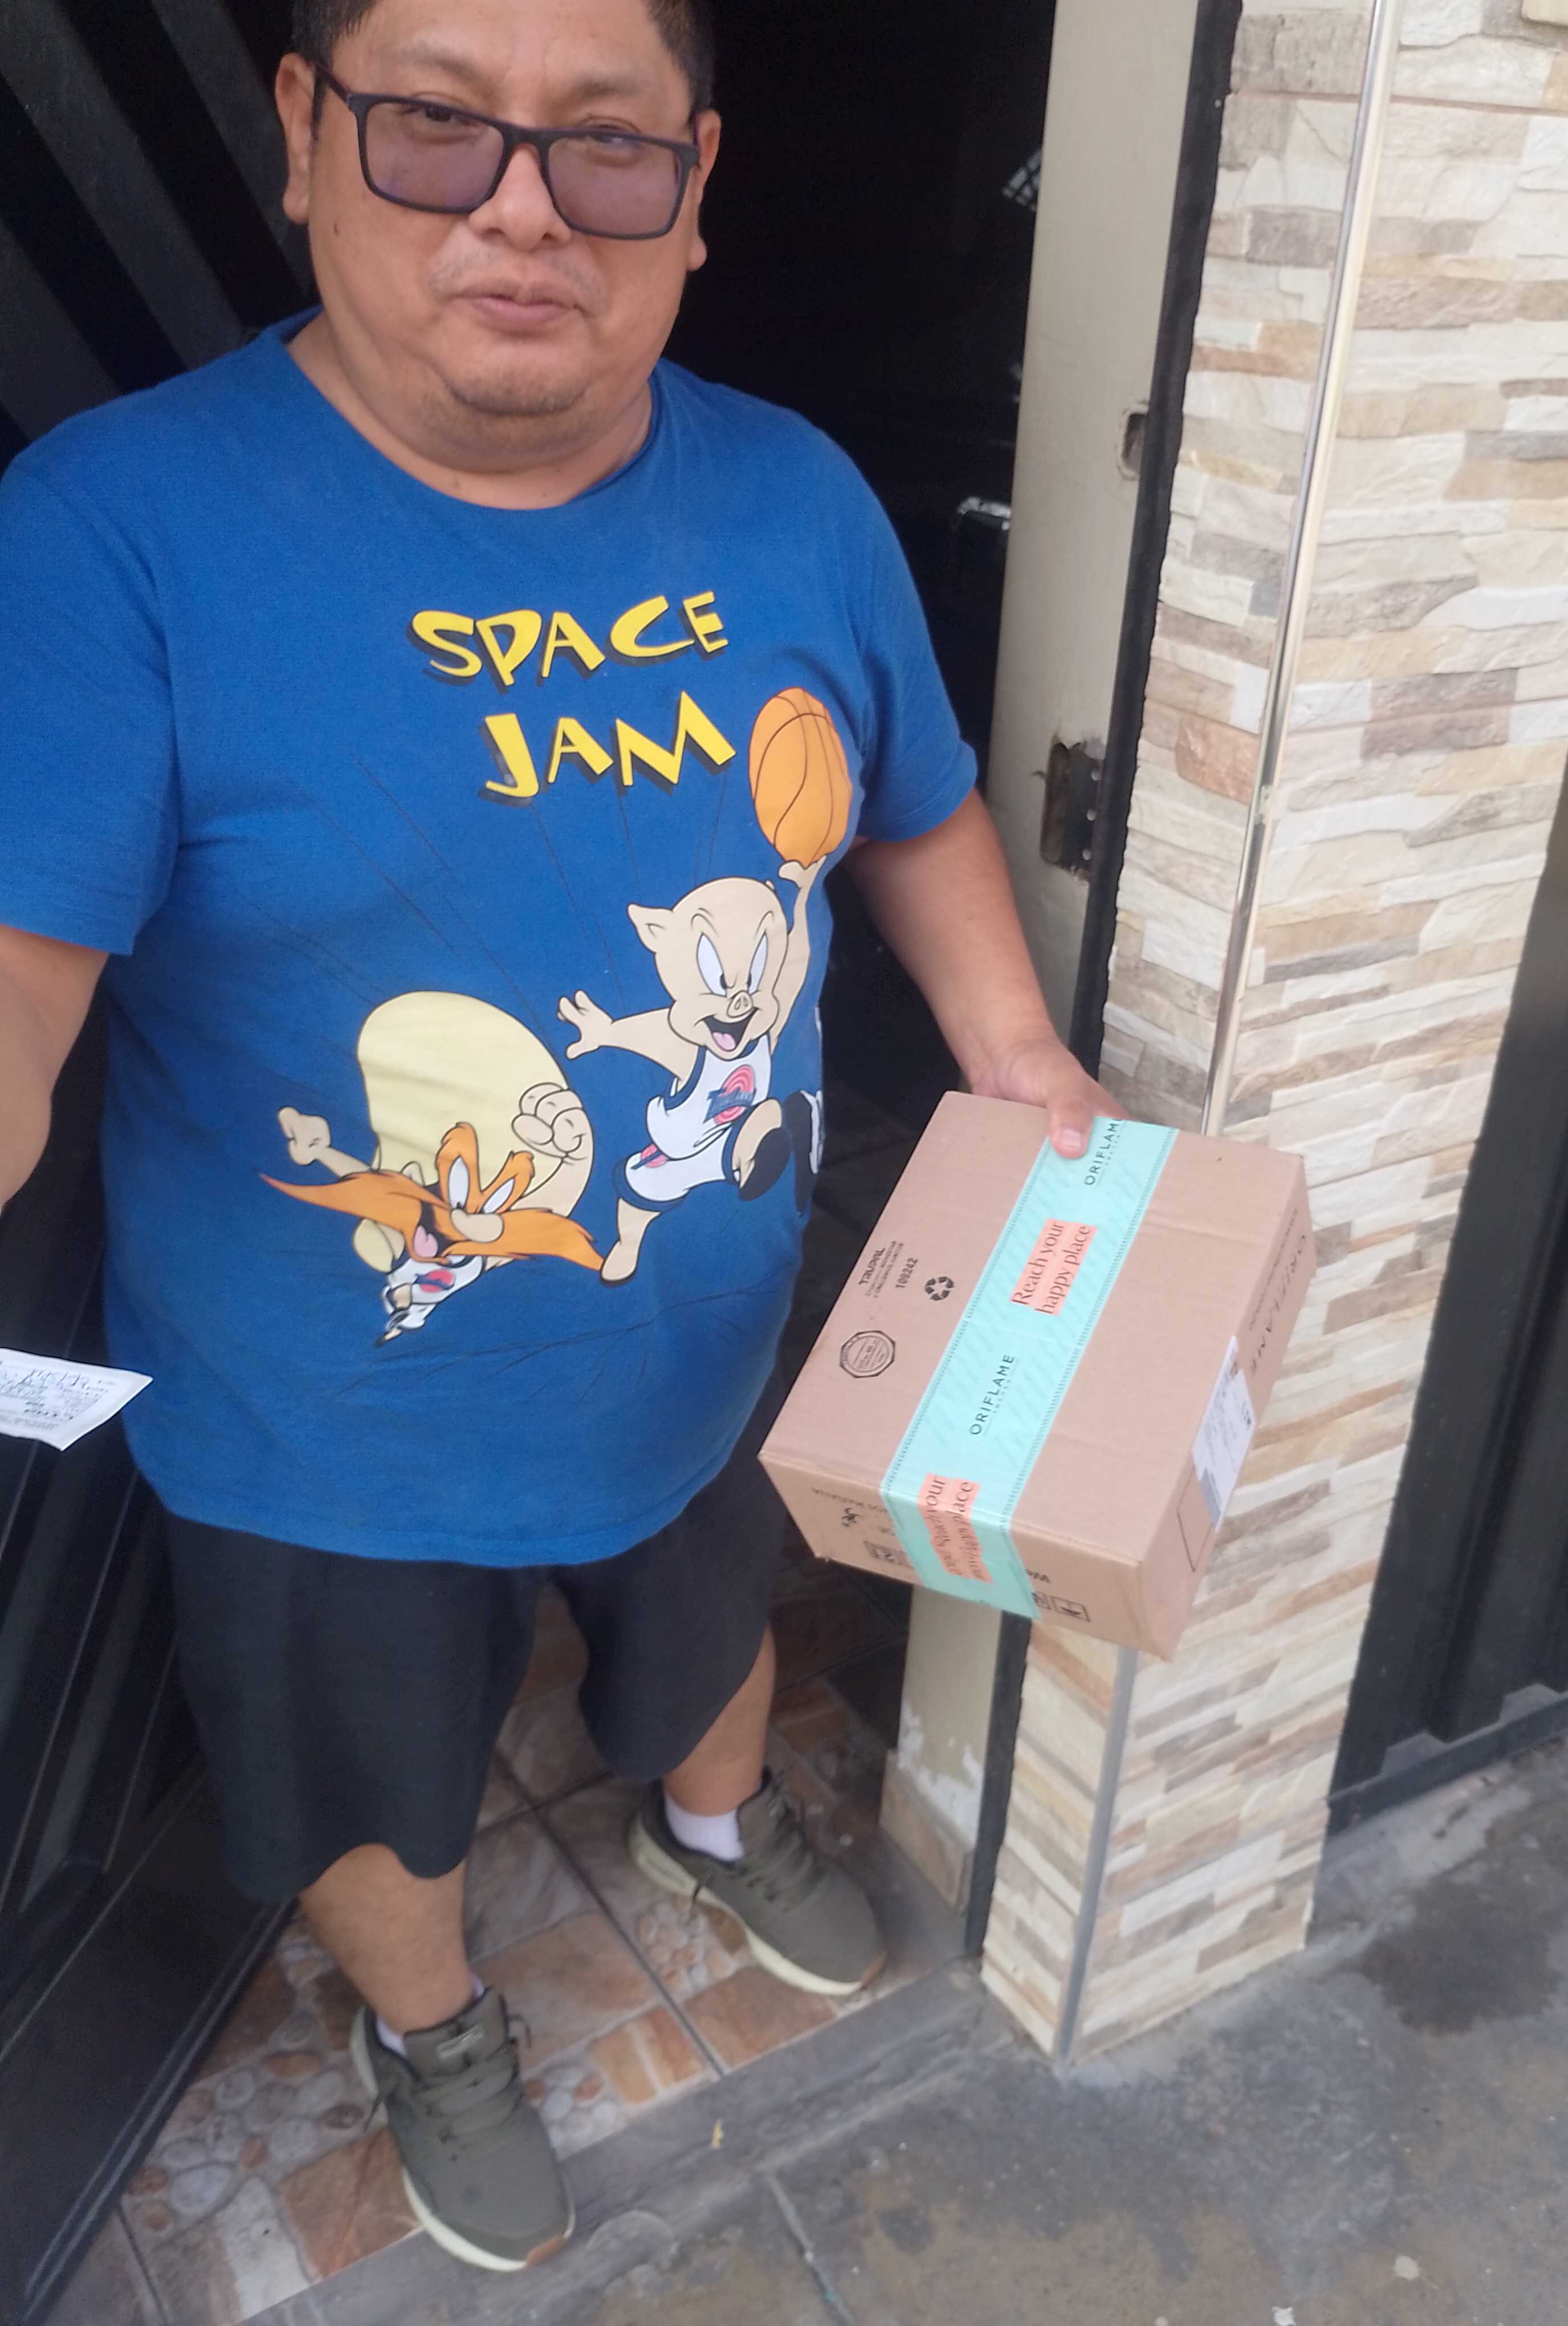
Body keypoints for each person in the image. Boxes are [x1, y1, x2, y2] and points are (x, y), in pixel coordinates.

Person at [0, 0, 1113, 2276]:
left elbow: (910, 803)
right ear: (303, 134)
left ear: (696, 192)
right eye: (435, 126)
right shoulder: (112, 530)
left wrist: (1018, 1058)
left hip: (699, 1328)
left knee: (710, 1621)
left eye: (605, 148)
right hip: (318, 1414)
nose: (521, 209)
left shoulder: (795, 495)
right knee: (368, 1775)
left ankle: (717, 1822)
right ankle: (432, 2027)